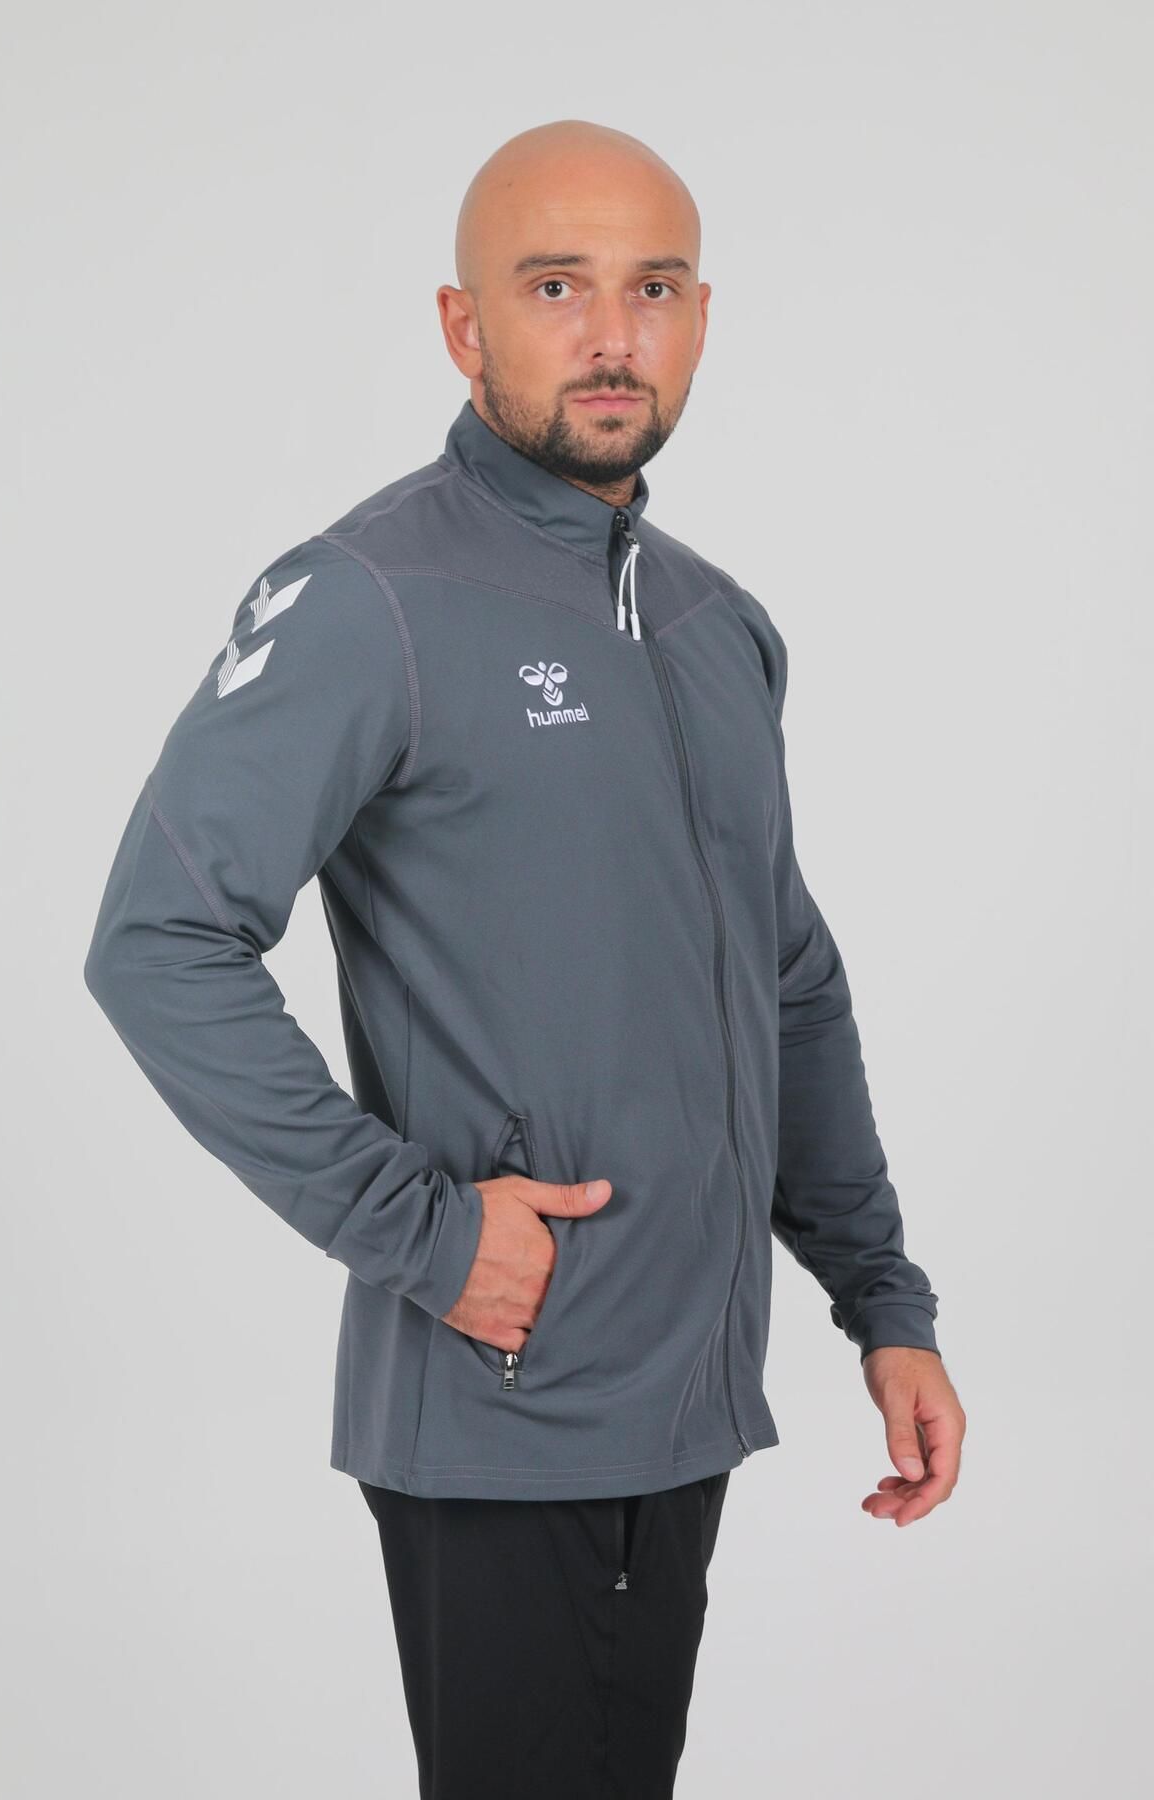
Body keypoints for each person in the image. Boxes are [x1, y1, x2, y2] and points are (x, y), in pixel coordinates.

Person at [84, 117, 966, 1799]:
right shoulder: (369, 598)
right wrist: (419, 1231)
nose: (612, 335)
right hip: (507, 1413)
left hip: (684, 1407)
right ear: (463, 323)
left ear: (701, 317)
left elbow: (787, 981)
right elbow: (158, 939)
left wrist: (883, 1304)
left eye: (654, 289)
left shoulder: (719, 624)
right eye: (556, 287)